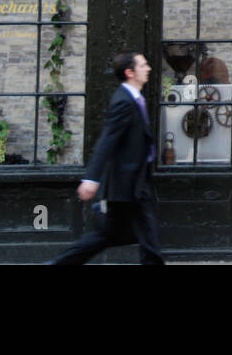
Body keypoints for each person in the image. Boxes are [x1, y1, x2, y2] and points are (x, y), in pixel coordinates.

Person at [48, 51, 164, 264]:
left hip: (134, 180)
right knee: (149, 238)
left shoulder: (135, 98)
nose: (148, 69)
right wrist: (92, 178)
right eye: (143, 65)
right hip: (128, 183)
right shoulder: (124, 101)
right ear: (130, 72)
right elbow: (107, 141)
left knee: (108, 235)